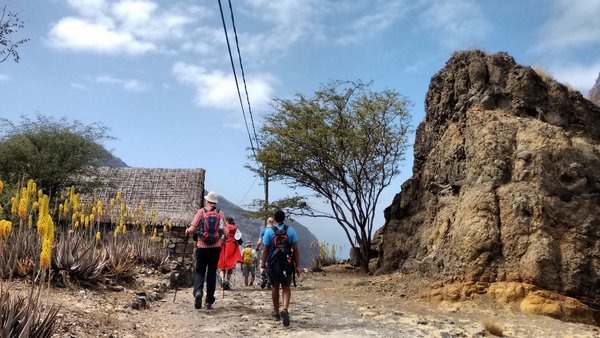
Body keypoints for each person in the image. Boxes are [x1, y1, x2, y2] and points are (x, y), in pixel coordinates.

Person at [185, 191, 225, 310]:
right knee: (212, 273)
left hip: (202, 247)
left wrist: (187, 231)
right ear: (215, 202)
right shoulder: (220, 213)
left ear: (207, 201)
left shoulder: (201, 212)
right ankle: (209, 300)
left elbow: (192, 229)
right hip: (215, 248)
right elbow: (225, 231)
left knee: (200, 271)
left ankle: (198, 292)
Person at [261, 210, 300, 327]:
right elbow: (296, 249)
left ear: (275, 219)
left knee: (275, 287)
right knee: (286, 287)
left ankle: (277, 313)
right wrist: (297, 265)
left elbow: (265, 250)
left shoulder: (269, 232)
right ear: (284, 218)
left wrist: (263, 265)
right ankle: (285, 309)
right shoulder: (291, 231)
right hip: (287, 263)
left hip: (273, 264)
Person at [218, 216, 243, 290]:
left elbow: (219, 236)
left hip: (223, 247)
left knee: (221, 266)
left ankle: (222, 280)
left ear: (226, 221)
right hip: (232, 247)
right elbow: (239, 240)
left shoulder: (223, 227)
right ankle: (227, 282)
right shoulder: (235, 228)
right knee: (230, 266)